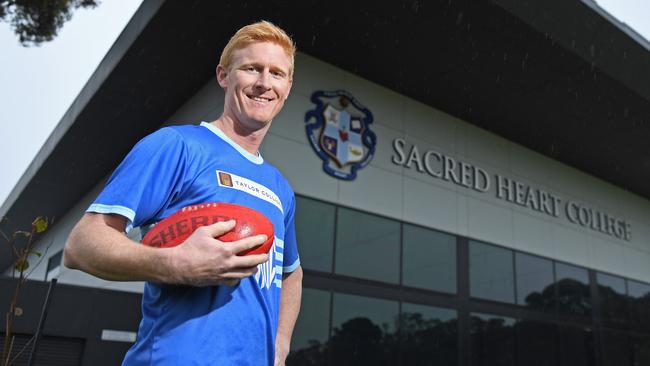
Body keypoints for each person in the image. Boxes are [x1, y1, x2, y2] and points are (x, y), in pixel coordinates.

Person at [64, 20, 302, 366]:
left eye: (277, 73)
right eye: (252, 69)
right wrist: (176, 264)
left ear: (288, 86)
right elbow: (80, 245)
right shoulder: (176, 146)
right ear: (224, 75)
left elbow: (291, 272)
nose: (264, 83)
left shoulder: (280, 187)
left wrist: (280, 344)